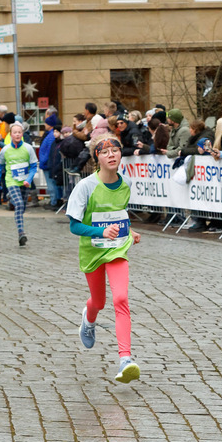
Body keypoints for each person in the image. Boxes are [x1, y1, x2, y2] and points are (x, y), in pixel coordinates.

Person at [66, 134, 142, 384]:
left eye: (115, 150)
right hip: (93, 252)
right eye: (104, 151)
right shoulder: (86, 187)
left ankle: (125, 359)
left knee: (120, 298)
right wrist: (100, 232)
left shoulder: (126, 184)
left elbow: (119, 215)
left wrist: (129, 231)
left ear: (121, 154)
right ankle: (88, 321)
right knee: (98, 301)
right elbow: (74, 226)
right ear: (96, 157)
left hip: (118, 249)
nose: (111, 154)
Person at [0, 122, 39, 246]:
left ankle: (12, 202)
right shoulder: (6, 149)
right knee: (19, 204)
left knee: (21, 207)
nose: (17, 134)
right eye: (14, 132)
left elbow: (33, 167)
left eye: (19, 132)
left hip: (25, 182)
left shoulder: (28, 148)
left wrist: (29, 179)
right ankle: (21, 233)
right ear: (10, 134)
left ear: (22, 134)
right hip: (11, 181)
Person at [39, 114, 65, 209]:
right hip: (48, 163)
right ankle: (54, 201)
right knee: (53, 185)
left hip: (47, 164)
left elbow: (49, 151)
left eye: (46, 123)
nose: (44, 124)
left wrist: (44, 161)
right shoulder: (50, 135)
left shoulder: (50, 136)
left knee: (52, 185)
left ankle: (54, 202)